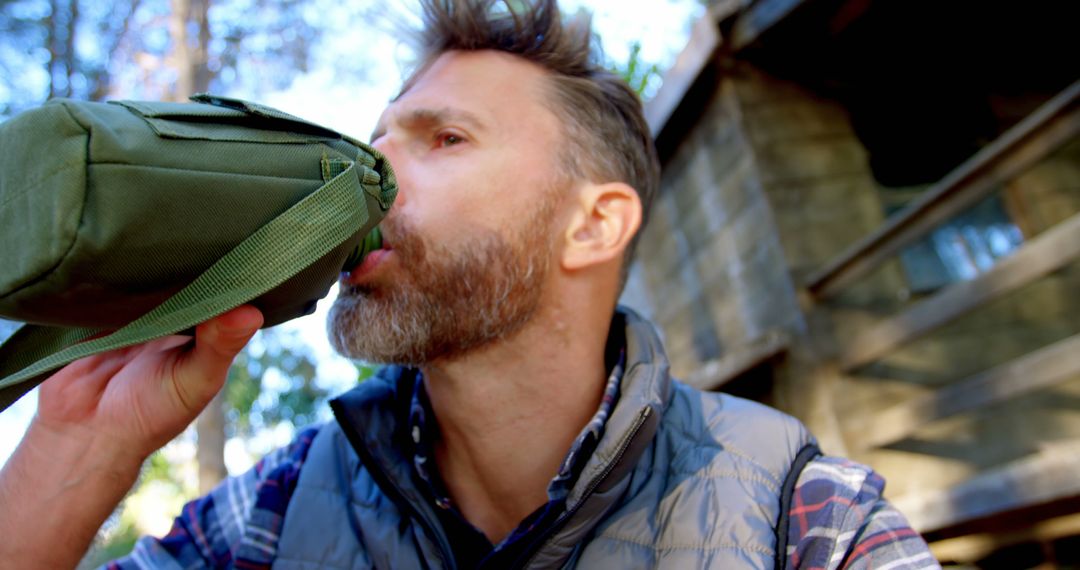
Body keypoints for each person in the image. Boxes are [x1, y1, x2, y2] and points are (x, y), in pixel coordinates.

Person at [0, 1, 940, 568]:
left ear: (594, 224)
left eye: (442, 140)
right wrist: (77, 444)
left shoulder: (806, 523)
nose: (362, 179)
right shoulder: (276, 517)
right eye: (373, 146)